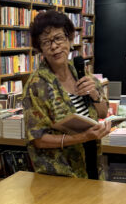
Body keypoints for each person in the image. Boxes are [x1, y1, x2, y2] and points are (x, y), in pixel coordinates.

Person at [22, 10, 110, 179]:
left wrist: (95, 95)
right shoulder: (37, 85)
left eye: (58, 38)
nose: (54, 46)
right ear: (40, 49)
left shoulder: (80, 71)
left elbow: (103, 112)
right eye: (46, 42)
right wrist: (82, 137)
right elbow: (38, 139)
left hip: (92, 163)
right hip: (60, 173)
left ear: (69, 39)